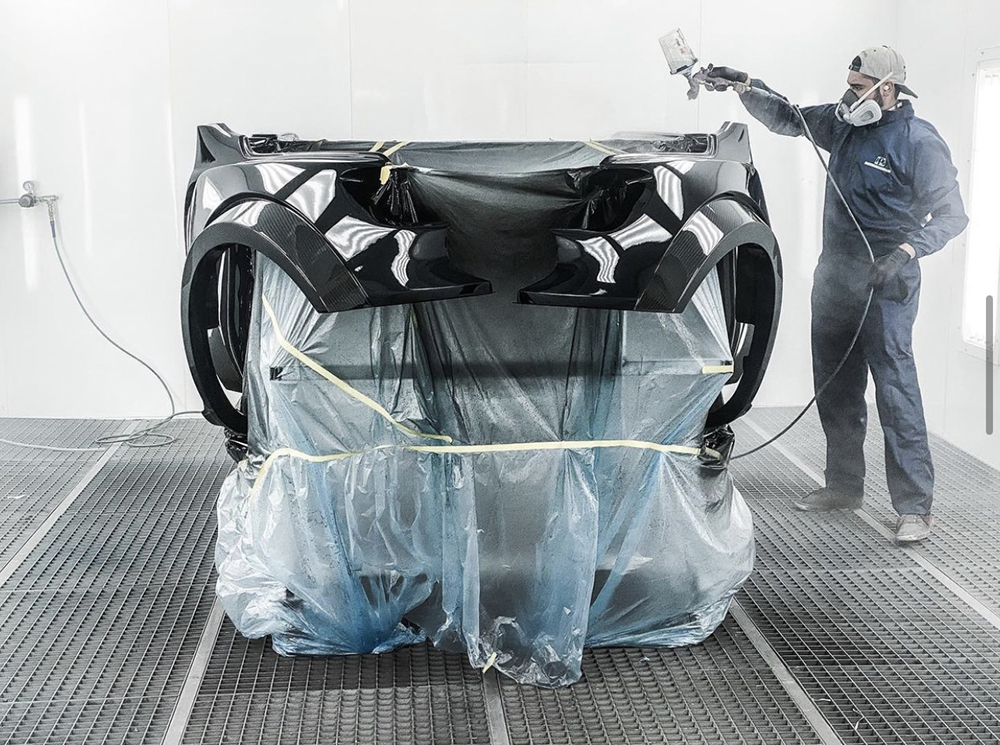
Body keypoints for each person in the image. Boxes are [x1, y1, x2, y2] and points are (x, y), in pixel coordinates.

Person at [706, 47, 968, 543]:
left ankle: (915, 507)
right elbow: (788, 117)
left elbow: (954, 216)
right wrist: (744, 84)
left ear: (886, 89)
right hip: (836, 278)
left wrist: (906, 253)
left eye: (857, 87)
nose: (848, 96)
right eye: (847, 85)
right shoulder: (844, 124)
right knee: (836, 385)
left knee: (895, 391)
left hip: (887, 281)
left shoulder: (919, 141)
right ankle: (844, 486)